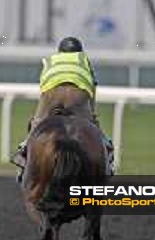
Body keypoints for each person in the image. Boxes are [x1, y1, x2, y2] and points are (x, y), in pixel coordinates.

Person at [11, 36, 115, 181]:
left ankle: (23, 158)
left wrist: (39, 118)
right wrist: (92, 119)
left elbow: (44, 89)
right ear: (79, 52)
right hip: (77, 98)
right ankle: (108, 162)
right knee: (96, 132)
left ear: (60, 52)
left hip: (52, 96)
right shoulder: (85, 62)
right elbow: (92, 92)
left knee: (36, 126)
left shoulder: (50, 61)